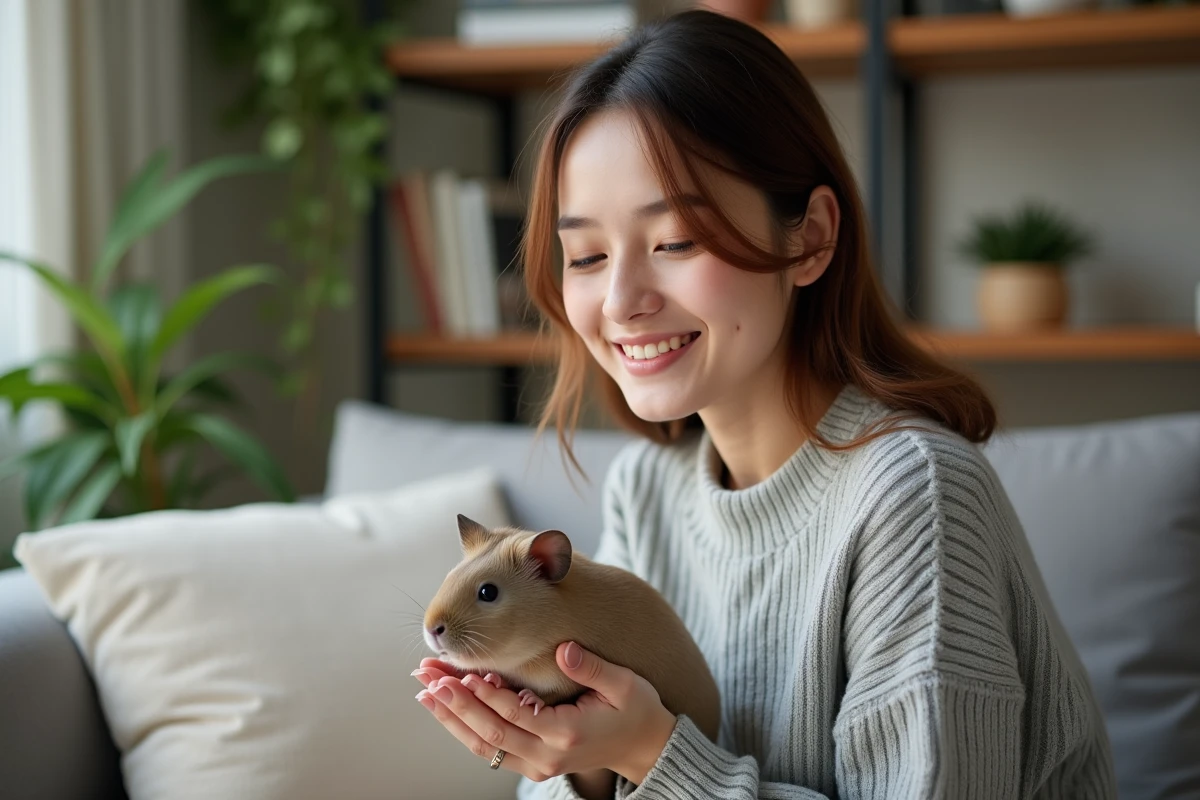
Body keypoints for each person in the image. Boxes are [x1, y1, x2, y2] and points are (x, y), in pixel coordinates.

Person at [412, 9, 1117, 799]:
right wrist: (583, 767)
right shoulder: (649, 491)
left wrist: (653, 755)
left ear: (809, 238)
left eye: (675, 240)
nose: (621, 300)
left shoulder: (912, 497)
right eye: (586, 255)